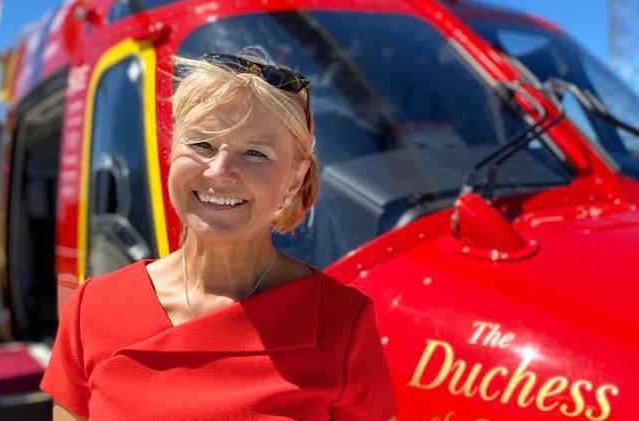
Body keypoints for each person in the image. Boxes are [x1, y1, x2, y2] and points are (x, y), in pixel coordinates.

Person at [40, 47, 398, 420]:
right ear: (172, 151)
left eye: (255, 153)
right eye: (201, 145)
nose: (219, 171)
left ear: (295, 177)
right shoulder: (91, 311)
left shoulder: (342, 323)